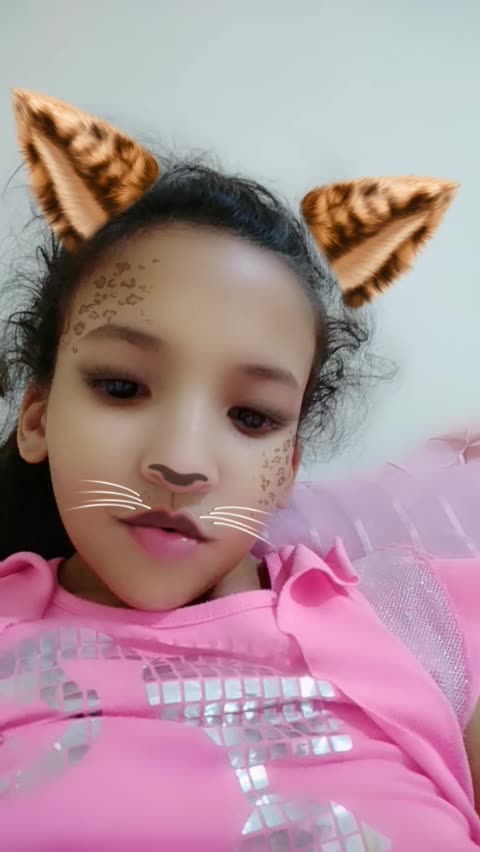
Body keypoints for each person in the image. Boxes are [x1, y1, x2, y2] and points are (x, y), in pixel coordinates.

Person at [0, 89, 471, 851]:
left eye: (251, 417)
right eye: (121, 387)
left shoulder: (425, 618)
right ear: (37, 418)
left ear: (286, 469)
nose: (181, 464)